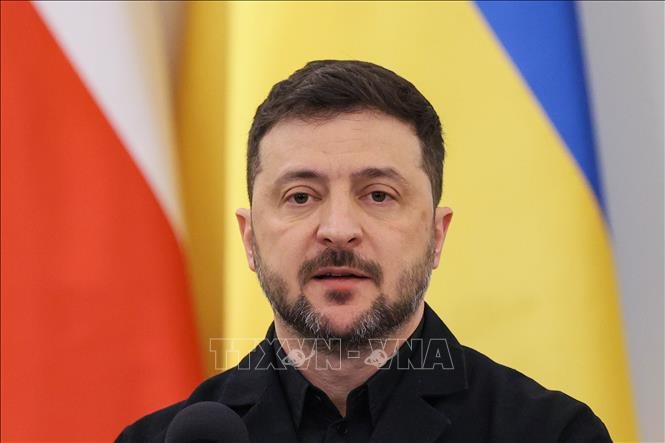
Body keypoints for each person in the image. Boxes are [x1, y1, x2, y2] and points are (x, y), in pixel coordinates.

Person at [117, 60, 611, 442]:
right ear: (250, 239)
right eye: (301, 197)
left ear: (437, 235)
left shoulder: (550, 433)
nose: (338, 230)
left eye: (378, 195)